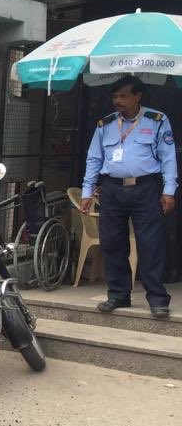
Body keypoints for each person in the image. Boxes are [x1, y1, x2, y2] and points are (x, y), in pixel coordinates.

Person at [82, 75, 177, 318]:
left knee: (150, 244)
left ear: (138, 96)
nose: (118, 101)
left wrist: (169, 191)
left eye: (123, 96)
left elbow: (168, 158)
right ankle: (118, 295)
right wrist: (86, 191)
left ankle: (157, 298)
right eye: (115, 97)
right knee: (113, 243)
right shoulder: (105, 124)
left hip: (146, 188)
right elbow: (94, 159)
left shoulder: (156, 120)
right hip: (111, 189)